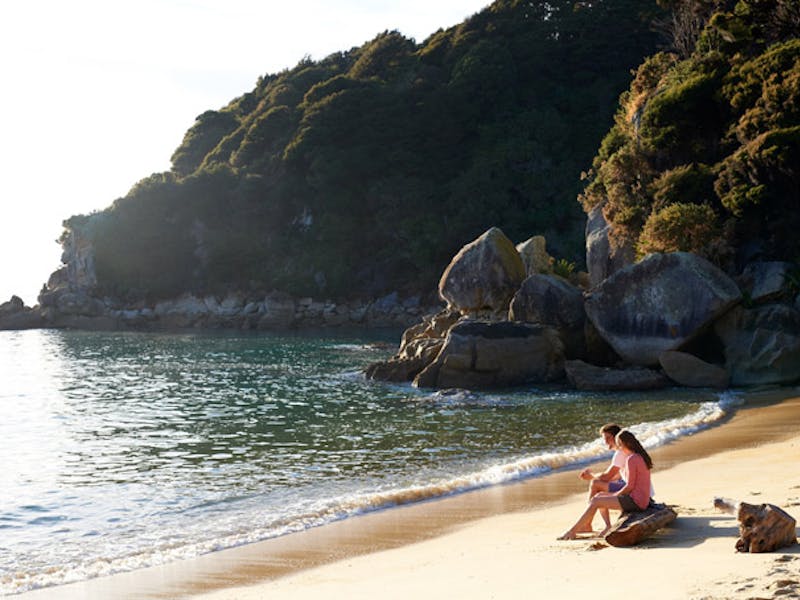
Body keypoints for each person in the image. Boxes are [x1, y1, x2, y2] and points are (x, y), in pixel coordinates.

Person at [558, 429, 653, 540]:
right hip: (640, 500)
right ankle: (582, 527)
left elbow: (630, 486)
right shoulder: (640, 456)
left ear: (624, 444)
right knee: (598, 497)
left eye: (619, 445)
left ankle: (572, 531)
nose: (618, 448)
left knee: (596, 501)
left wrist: (615, 495)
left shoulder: (631, 459)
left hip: (636, 502)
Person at [578, 423, 625, 531]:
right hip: (628, 485)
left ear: (616, 437)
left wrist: (591, 476)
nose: (606, 442)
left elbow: (607, 477)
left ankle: (588, 524)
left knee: (595, 485)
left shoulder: (620, 453)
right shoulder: (622, 452)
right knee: (597, 487)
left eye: (608, 438)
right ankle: (590, 524)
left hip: (630, 490)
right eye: (604, 439)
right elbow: (614, 476)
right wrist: (595, 477)